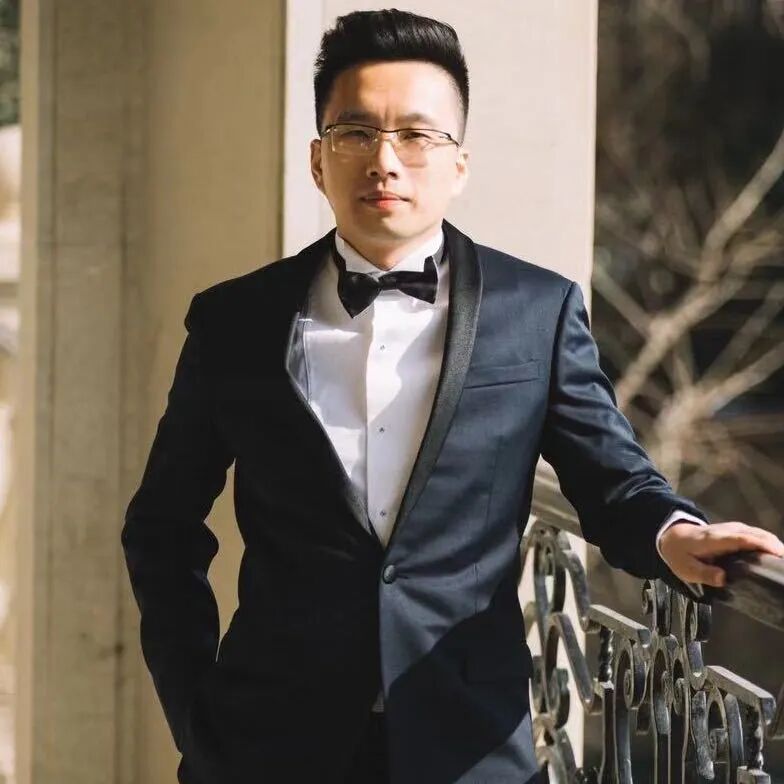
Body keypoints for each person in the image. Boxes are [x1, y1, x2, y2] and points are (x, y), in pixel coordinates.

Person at [120, 8, 784, 784]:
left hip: (468, 746)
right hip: (268, 747)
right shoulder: (235, 321)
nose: (385, 161)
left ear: (459, 165)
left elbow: (613, 481)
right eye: (356, 133)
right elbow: (162, 528)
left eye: (416, 136)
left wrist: (676, 534)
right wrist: (197, 717)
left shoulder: (536, 311)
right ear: (318, 160)